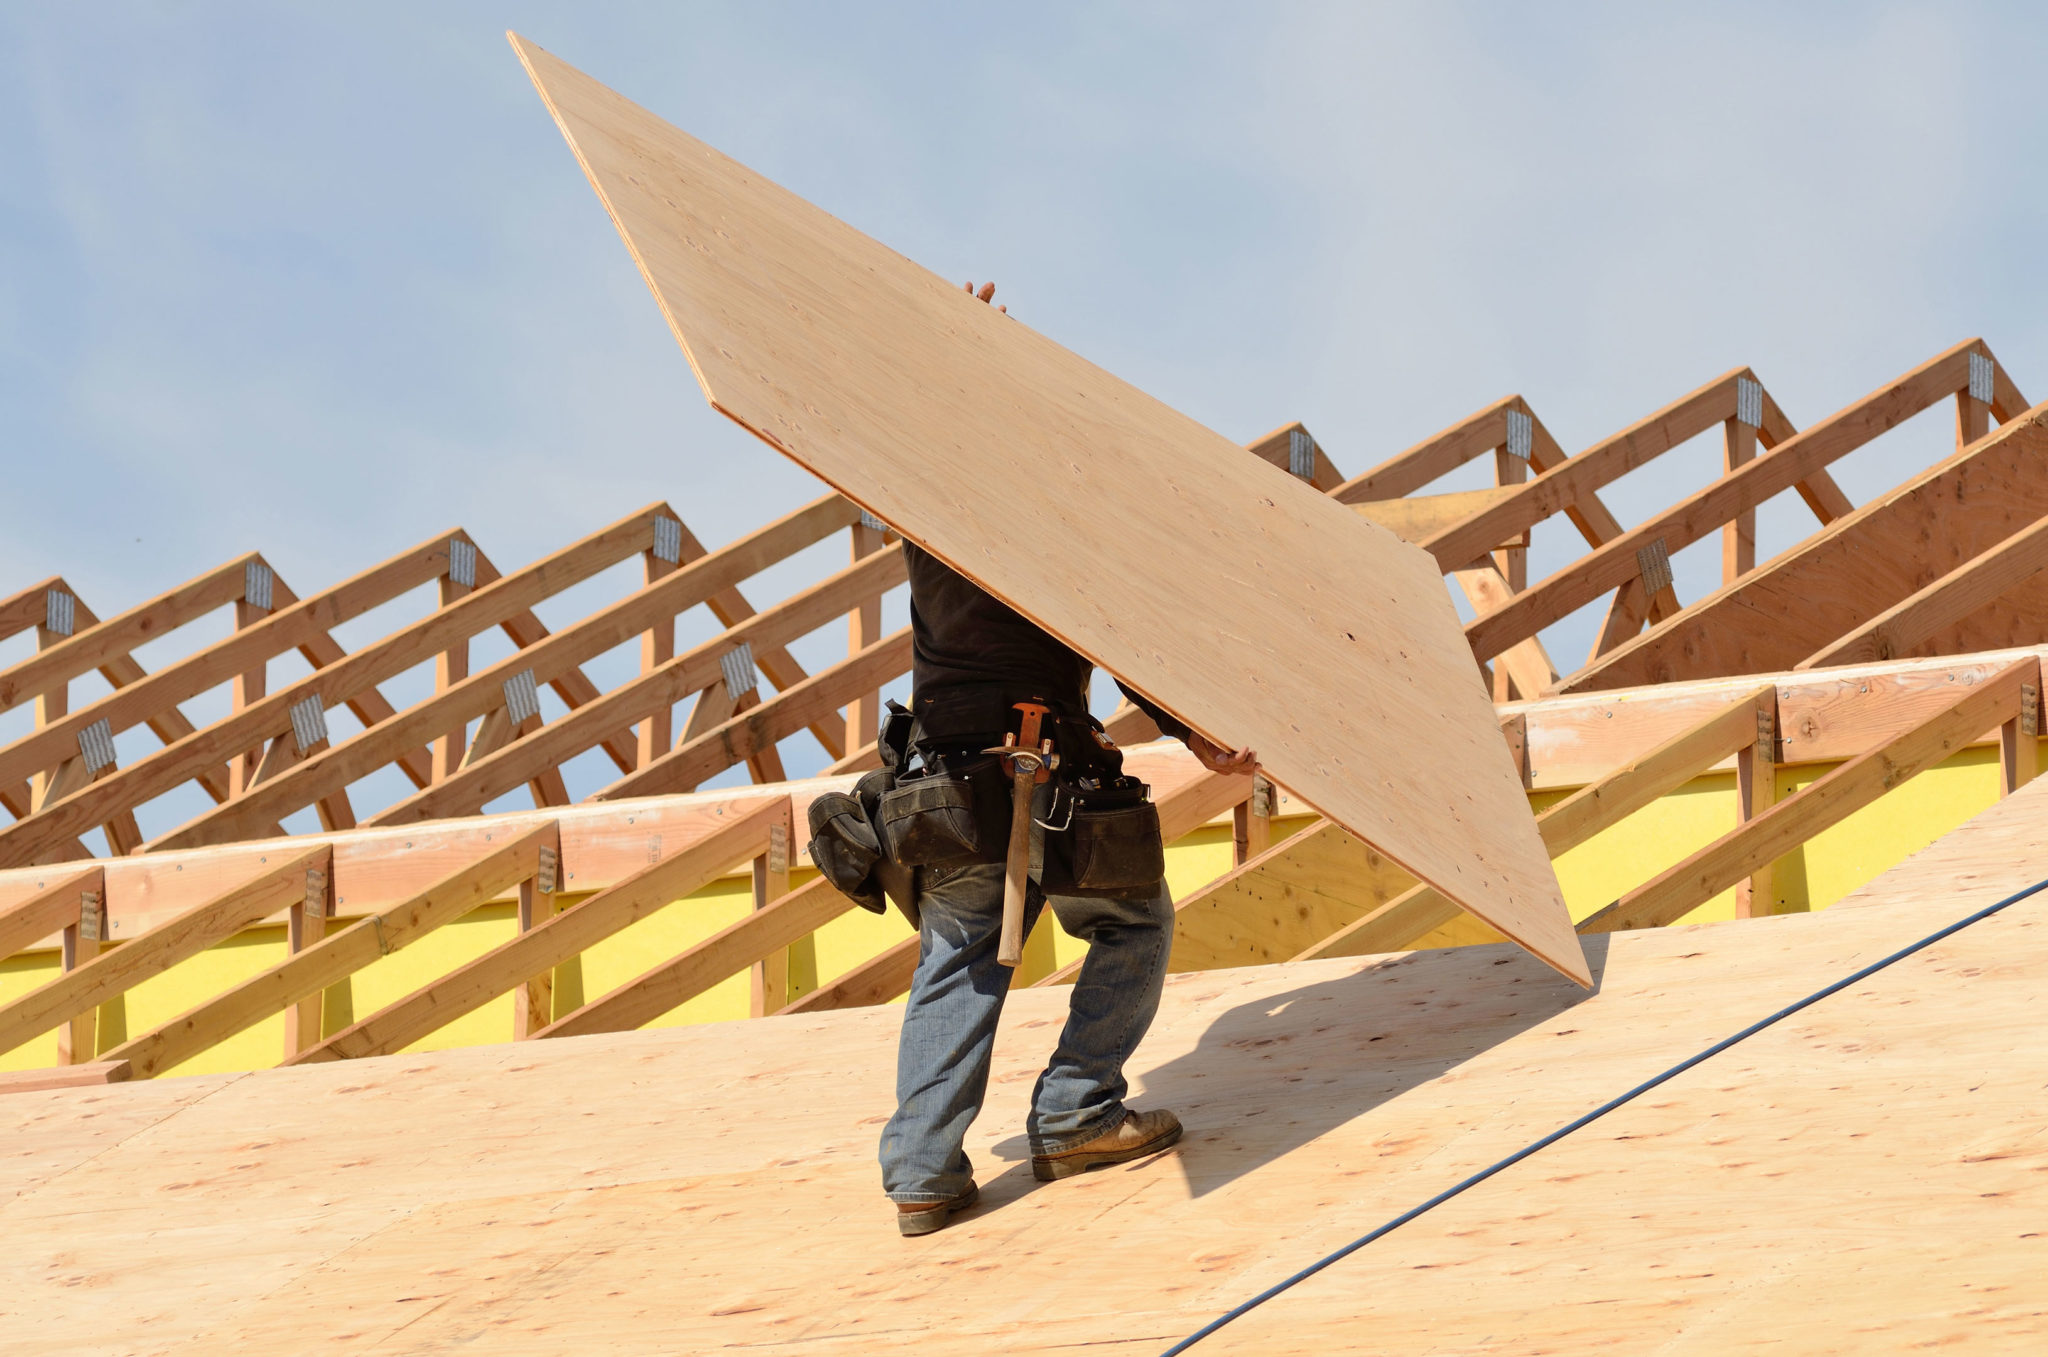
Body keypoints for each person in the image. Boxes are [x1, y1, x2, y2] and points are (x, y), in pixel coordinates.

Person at [884, 280, 1258, 1236]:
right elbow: (1129, 643)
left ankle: (924, 1171)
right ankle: (1075, 1115)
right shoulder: (1048, 524)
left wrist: (949, 355)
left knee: (959, 958)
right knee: (1136, 923)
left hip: (944, 783)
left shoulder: (923, 512)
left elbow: (894, 425)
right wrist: (1196, 732)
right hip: (1043, 774)